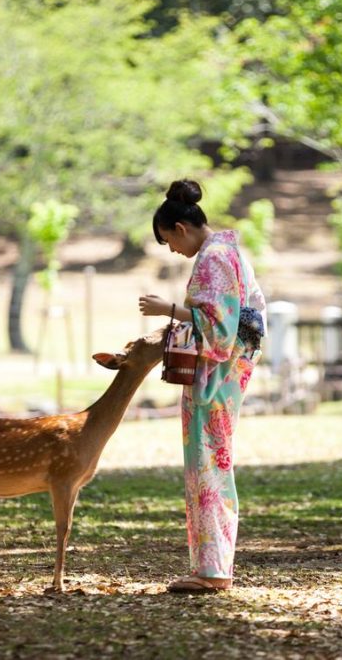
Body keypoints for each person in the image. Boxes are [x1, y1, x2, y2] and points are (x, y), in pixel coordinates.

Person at [139, 179, 266, 593]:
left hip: (216, 375)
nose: (172, 250)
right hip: (226, 373)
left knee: (208, 463)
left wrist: (169, 309)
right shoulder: (227, 252)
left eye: (168, 241)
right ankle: (211, 567)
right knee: (213, 461)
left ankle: (212, 571)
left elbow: (219, 331)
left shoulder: (214, 258)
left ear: (181, 227)